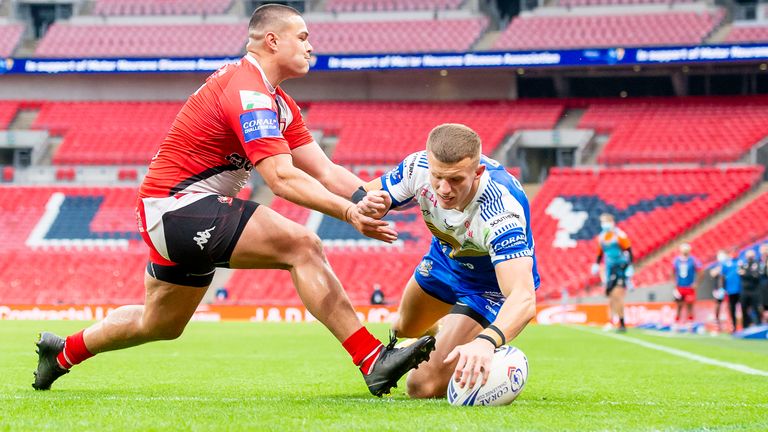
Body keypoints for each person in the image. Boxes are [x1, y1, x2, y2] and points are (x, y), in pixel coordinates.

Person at [33, 4, 435, 396]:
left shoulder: (278, 102)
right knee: (303, 245)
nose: (312, 46)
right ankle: (371, 359)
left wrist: (376, 197)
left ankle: (62, 352)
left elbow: (326, 171)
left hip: (169, 213)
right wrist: (350, 212)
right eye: (303, 37)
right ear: (273, 41)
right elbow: (279, 177)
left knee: (160, 324)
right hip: (178, 208)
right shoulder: (248, 88)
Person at [356, 123, 538, 398]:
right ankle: (446, 329)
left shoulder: (501, 212)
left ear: (477, 173)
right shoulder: (417, 167)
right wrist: (366, 204)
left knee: (421, 388)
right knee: (403, 328)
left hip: (487, 287)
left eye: (455, 180)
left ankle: (474, 333)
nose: (443, 189)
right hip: (443, 261)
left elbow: (523, 298)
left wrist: (486, 342)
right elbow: (364, 193)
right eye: (437, 176)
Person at [590, 213, 633, 332]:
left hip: (620, 268)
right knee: (610, 296)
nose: (604, 224)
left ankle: (622, 322)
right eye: (602, 222)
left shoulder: (620, 235)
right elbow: (600, 253)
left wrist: (630, 267)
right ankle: (611, 321)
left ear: (612, 222)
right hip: (609, 269)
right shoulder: (602, 237)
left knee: (617, 295)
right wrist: (596, 264)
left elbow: (629, 251)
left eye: (606, 221)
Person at [672, 243, 701, 331]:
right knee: (679, 305)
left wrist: (696, 283)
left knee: (690, 306)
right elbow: (672, 272)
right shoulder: (676, 260)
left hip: (689, 287)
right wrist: (674, 284)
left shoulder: (693, 260)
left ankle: (690, 324)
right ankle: (677, 323)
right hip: (680, 287)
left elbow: (700, 271)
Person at [737, 249, 762, 328]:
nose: (749, 257)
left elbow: (756, 276)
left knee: (756, 309)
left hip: (755, 290)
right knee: (744, 309)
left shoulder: (757, 263)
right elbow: (741, 274)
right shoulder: (744, 264)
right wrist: (749, 273)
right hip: (745, 290)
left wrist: (746, 273)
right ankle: (745, 326)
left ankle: (759, 326)